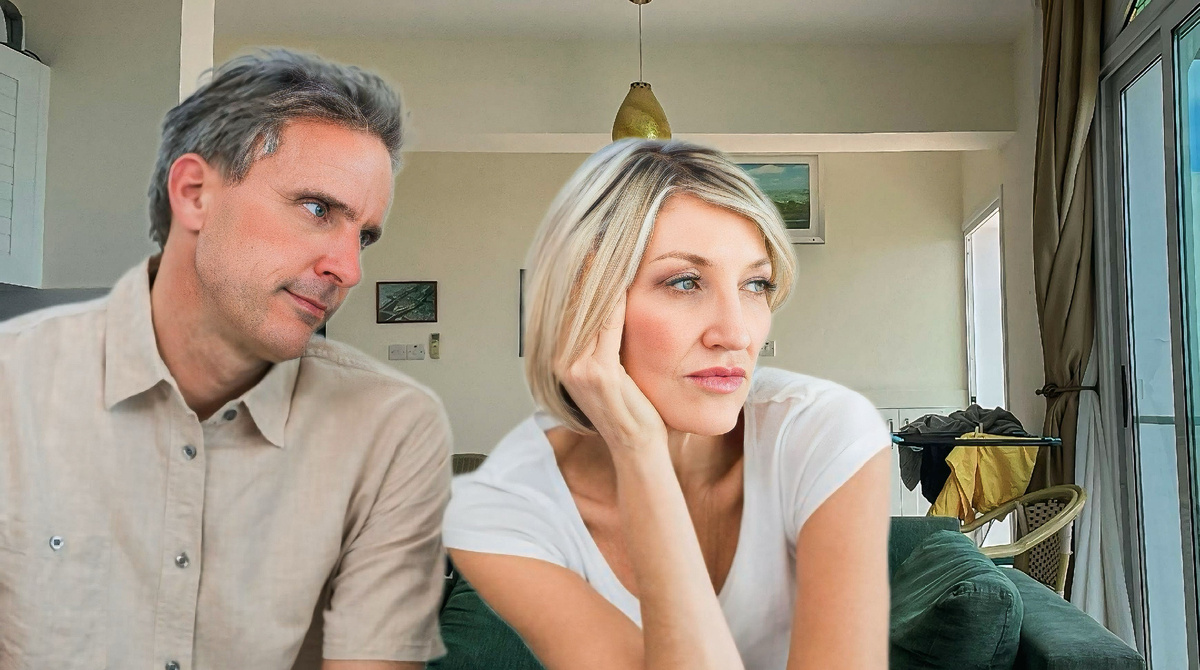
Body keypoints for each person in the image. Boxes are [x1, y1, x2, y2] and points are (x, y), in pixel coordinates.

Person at [0, 50, 450, 670]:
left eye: (364, 236)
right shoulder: (14, 388)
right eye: (318, 209)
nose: (349, 269)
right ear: (194, 194)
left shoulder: (389, 429)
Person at [443, 139, 892, 670]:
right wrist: (640, 452)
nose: (737, 334)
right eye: (684, 282)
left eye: (755, 284)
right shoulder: (503, 515)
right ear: (589, 303)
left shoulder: (822, 432)